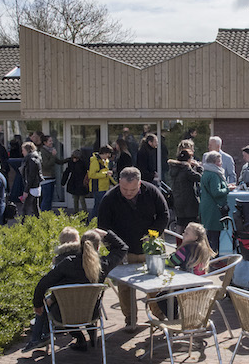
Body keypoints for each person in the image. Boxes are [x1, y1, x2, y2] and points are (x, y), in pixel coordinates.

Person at [25, 227, 128, 352]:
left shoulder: (67, 263)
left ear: (80, 245)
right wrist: (106, 234)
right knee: (88, 304)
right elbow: (122, 248)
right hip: (92, 313)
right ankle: (88, 338)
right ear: (97, 247)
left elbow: (42, 284)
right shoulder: (103, 265)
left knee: (52, 305)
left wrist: (37, 305)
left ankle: (74, 337)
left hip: (63, 315)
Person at [97, 167, 169, 327]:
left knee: (155, 283)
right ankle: (130, 318)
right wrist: (115, 248)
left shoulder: (151, 191)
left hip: (150, 247)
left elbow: (164, 214)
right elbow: (103, 227)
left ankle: (158, 312)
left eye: (133, 189)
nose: (128, 193)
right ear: (119, 183)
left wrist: (153, 235)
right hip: (124, 250)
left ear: (140, 183)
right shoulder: (110, 198)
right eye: (124, 189)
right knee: (125, 287)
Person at [199, 151, 233, 251]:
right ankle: (214, 261)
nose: (221, 163)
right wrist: (228, 189)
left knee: (209, 236)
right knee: (214, 237)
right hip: (214, 209)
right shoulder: (214, 174)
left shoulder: (206, 172)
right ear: (214, 162)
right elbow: (216, 192)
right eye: (219, 161)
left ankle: (208, 259)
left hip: (207, 207)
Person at [168, 149, 203, 229]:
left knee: (180, 222)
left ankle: (179, 241)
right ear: (188, 159)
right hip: (189, 201)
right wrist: (198, 167)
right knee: (192, 224)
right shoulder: (186, 169)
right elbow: (199, 177)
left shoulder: (174, 168)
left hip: (178, 200)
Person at [38, 136, 67, 212]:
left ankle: (48, 214)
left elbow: (59, 161)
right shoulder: (43, 151)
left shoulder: (50, 151)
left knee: (50, 199)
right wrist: (53, 156)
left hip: (51, 178)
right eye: (50, 141)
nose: (52, 142)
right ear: (45, 142)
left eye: (52, 141)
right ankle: (44, 215)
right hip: (46, 179)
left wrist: (70, 159)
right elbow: (46, 165)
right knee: (46, 198)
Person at [87, 145, 116, 219]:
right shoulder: (95, 161)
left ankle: (92, 222)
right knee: (101, 206)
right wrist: (105, 174)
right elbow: (91, 175)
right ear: (104, 153)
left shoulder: (105, 161)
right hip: (98, 187)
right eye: (108, 154)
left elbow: (106, 174)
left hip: (103, 187)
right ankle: (94, 221)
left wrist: (115, 183)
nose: (109, 156)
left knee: (98, 206)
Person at [20, 142, 43, 217]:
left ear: (27, 150)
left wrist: (26, 191)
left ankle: (23, 225)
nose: (22, 152)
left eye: (23, 150)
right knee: (35, 207)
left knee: (25, 209)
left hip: (32, 187)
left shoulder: (31, 160)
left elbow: (31, 176)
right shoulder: (35, 158)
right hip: (35, 186)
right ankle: (40, 222)